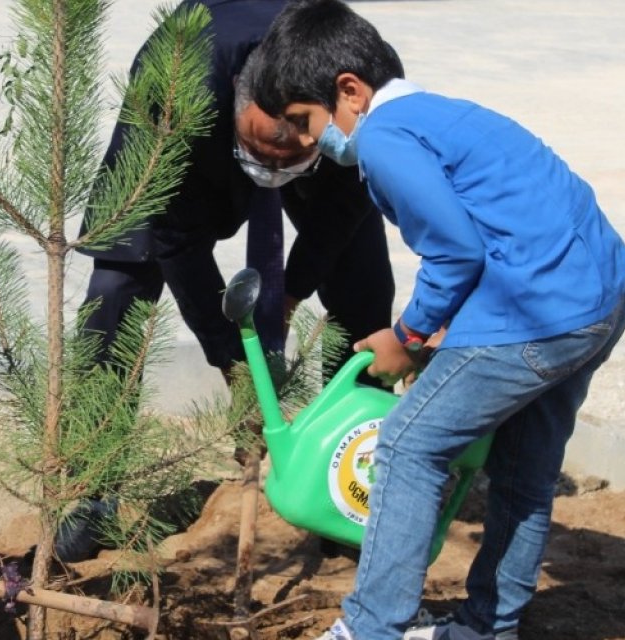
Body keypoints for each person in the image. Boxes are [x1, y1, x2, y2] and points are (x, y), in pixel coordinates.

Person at [248, 1, 625, 638]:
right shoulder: (442, 112)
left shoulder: (382, 135)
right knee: (523, 472)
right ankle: (487, 627)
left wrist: (406, 335)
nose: (311, 141)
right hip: (596, 300)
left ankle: (370, 628)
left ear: (349, 90)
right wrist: (441, 329)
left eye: (306, 121)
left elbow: (456, 250)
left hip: (535, 316)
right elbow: (502, 223)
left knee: (407, 447)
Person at [58, 0, 399, 563]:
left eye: (287, 154)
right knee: (118, 286)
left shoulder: (353, 85)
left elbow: (343, 211)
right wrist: (231, 355)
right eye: (260, 150)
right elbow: (172, 234)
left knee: (363, 292)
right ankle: (91, 494)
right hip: (185, 128)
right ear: (243, 104)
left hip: (310, 130)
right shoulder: (176, 78)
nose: (271, 166)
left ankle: (351, 487)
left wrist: (292, 289)